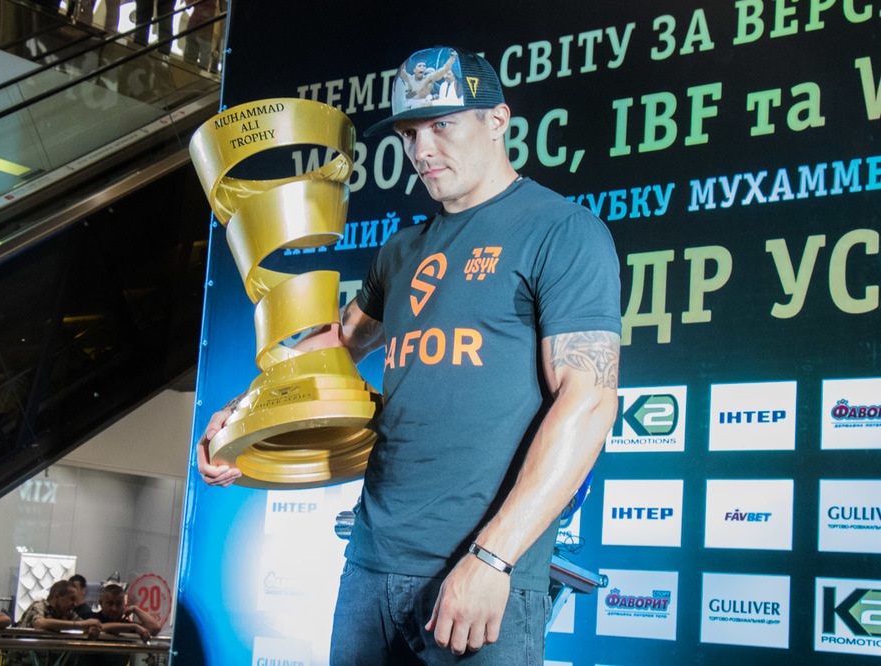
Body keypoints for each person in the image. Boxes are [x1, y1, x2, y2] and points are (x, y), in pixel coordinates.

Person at [197, 45, 621, 665]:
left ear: (497, 120)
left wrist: (493, 558)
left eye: (442, 125)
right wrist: (243, 416)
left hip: (480, 571)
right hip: (370, 566)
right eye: (409, 133)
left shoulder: (561, 230)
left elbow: (589, 401)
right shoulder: (400, 251)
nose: (422, 150)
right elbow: (338, 344)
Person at [4, 580, 102, 666]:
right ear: (56, 596)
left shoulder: (68, 614)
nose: (74, 604)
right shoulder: (39, 606)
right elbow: (40, 624)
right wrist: (80, 625)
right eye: (71, 599)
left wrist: (91, 627)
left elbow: (88, 624)